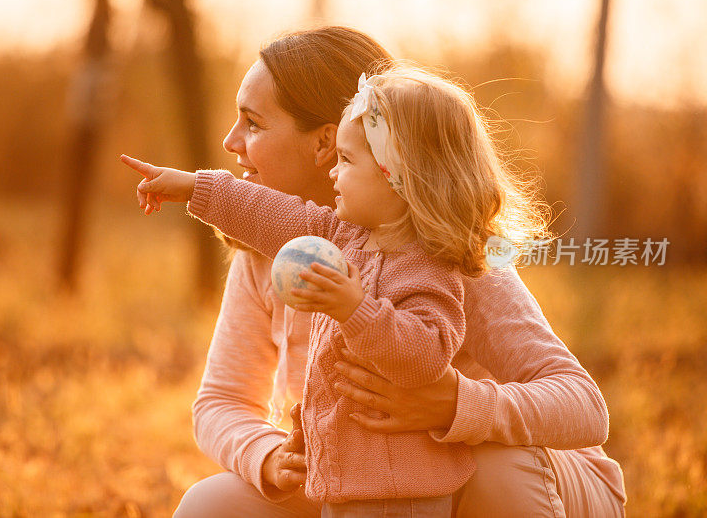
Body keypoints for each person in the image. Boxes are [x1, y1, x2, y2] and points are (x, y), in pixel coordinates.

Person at [133, 26, 627, 516]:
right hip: (370, 477)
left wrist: (457, 405)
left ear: (327, 143)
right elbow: (221, 401)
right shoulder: (270, 257)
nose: (230, 140)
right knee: (212, 504)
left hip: (542, 481)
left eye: (254, 123)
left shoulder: (452, 250)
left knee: (498, 465)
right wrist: (270, 455)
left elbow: (582, 404)